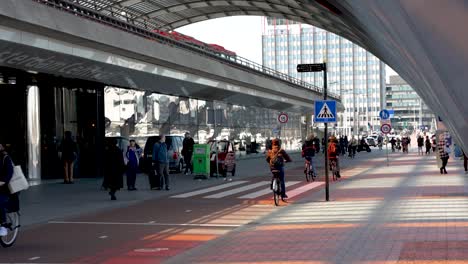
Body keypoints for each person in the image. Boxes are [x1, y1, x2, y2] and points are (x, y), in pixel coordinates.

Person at [0, 144, 13, 237]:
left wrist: (4, 181)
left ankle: (3, 225)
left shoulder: (5, 157)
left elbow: (10, 171)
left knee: (0, 202)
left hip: (4, 188)